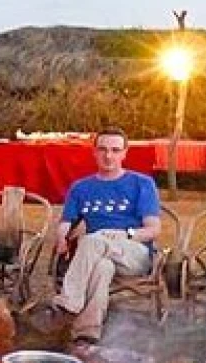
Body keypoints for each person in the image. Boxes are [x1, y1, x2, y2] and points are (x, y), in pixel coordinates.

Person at [36, 127, 163, 345]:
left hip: (133, 251)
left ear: (125, 153)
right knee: (102, 267)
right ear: (94, 152)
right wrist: (61, 238)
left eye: (115, 150)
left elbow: (153, 229)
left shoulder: (141, 184)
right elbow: (66, 223)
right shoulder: (81, 188)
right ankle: (87, 333)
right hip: (96, 253)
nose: (108, 156)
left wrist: (124, 234)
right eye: (103, 149)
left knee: (93, 240)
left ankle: (67, 303)